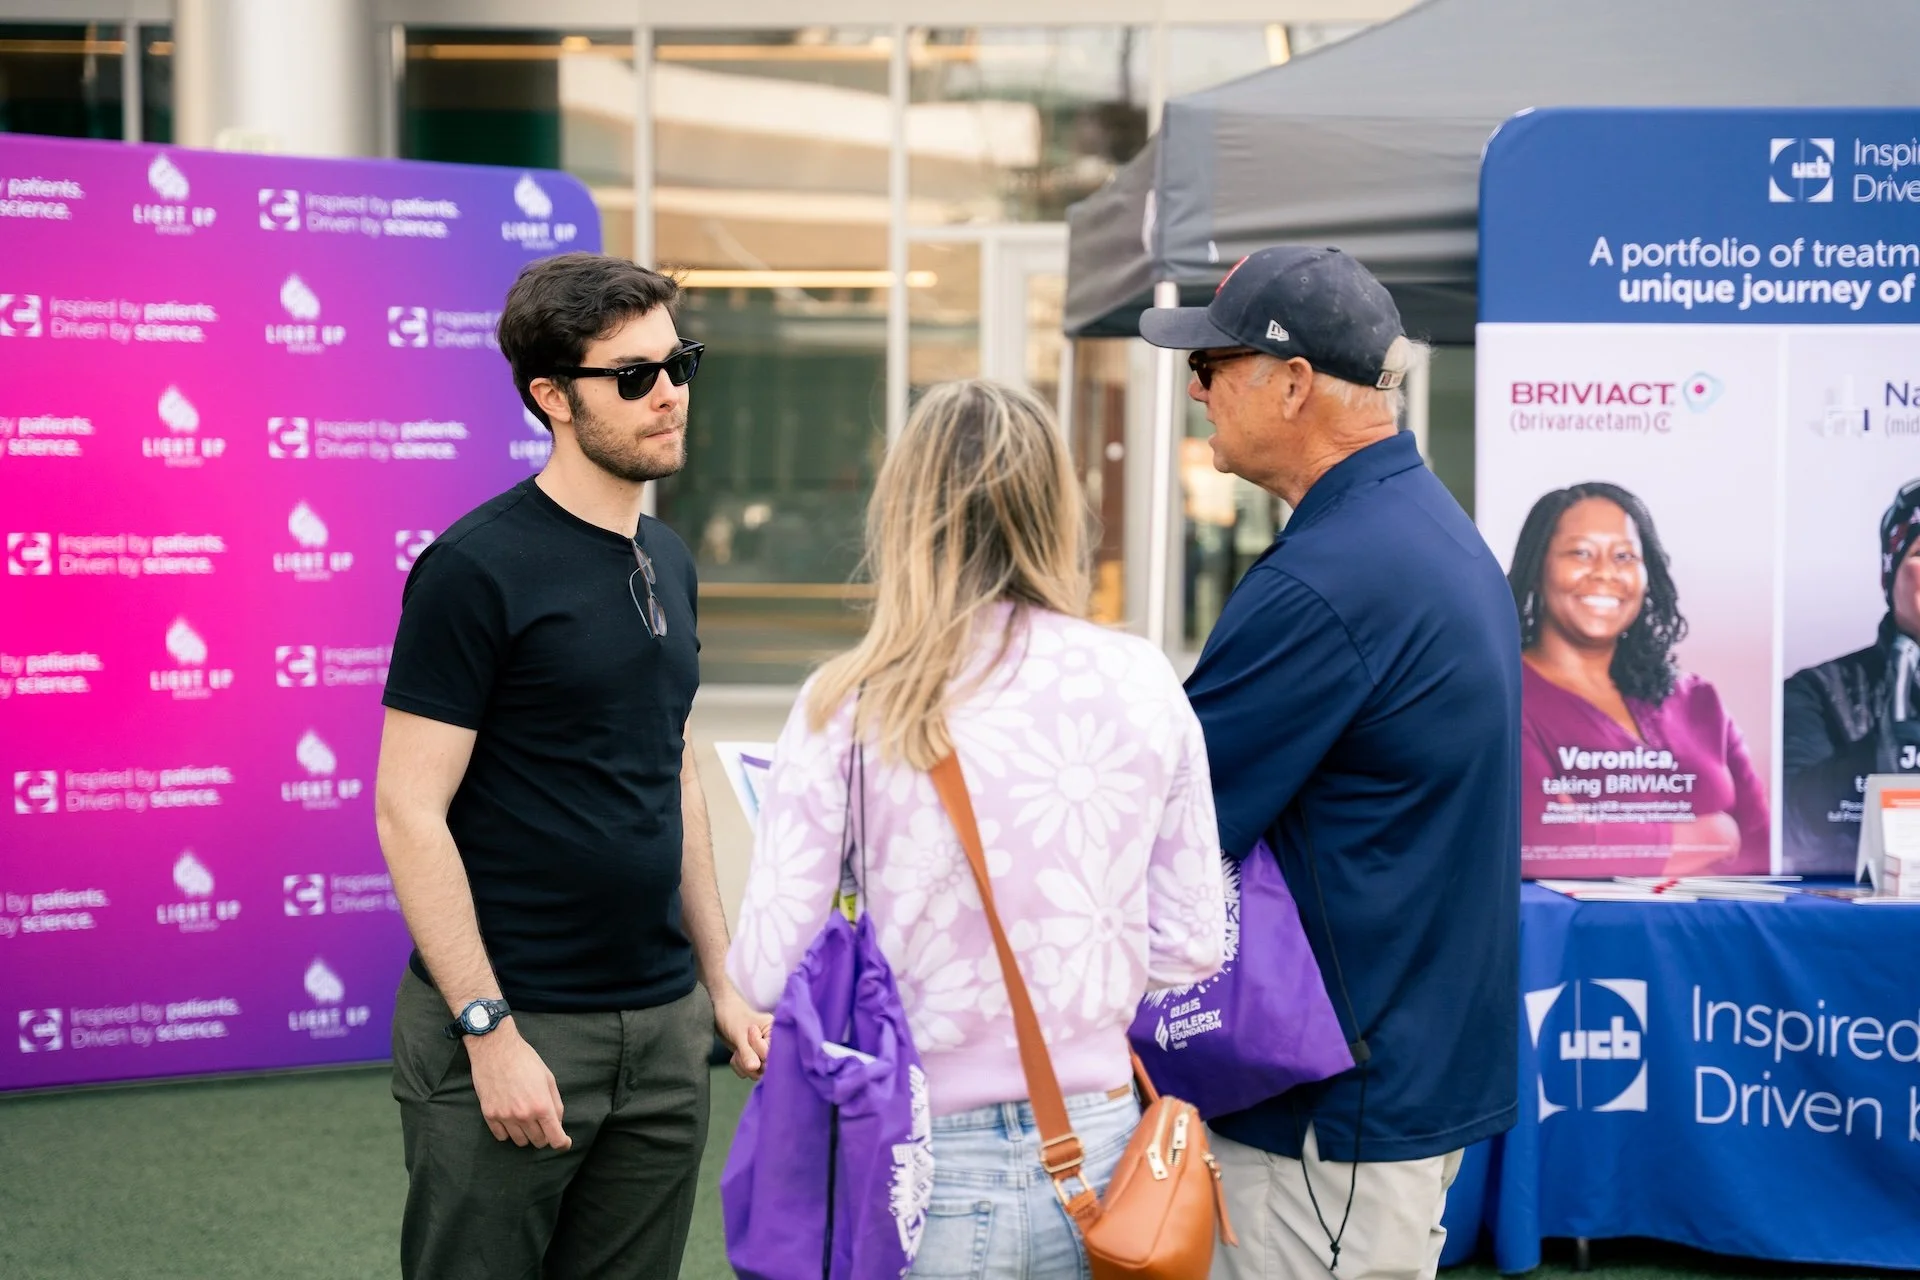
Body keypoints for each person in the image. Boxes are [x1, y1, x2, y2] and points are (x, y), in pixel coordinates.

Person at [727, 379, 1226, 1279]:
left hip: (920, 1159)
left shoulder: (851, 701)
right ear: (1057, 509)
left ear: (905, 512)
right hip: (1112, 1152)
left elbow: (764, 968)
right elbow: (1193, 941)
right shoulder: (1141, 680)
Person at [374, 253, 770, 1280]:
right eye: (632, 375)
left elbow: (672, 771)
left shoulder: (670, 559)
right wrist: (487, 1029)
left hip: (662, 1024)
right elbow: (408, 810)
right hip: (516, 1022)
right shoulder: (475, 568)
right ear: (551, 397)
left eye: (678, 362)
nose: (670, 391)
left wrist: (719, 980)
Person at [1140, 245, 1519, 1280]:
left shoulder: (1334, 575)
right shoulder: (1426, 530)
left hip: (1329, 1100)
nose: (1196, 386)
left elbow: (1165, 816)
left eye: (1212, 363)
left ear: (1295, 381)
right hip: (1388, 1066)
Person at [1509, 483, 1769, 876]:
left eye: (1624, 556)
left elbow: (1764, 846)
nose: (1604, 573)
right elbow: (1541, 842)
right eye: (1580, 553)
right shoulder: (1507, 696)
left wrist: (1604, 836)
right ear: (1537, 568)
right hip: (1579, 933)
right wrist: (1712, 835)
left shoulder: (1697, 699)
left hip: (1711, 931)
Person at [1784, 478, 1920, 872]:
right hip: (1856, 916)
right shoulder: (1817, 691)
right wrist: (1887, 751)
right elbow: (1790, 829)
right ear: (1889, 575)